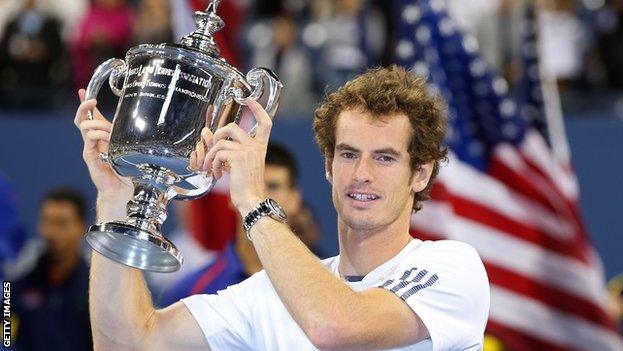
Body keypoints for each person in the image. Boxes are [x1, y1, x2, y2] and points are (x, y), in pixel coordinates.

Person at [74, 65, 489, 350]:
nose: (361, 174)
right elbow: (125, 342)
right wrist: (115, 200)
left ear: (419, 174)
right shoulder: (270, 293)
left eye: (384, 158)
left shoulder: (452, 268)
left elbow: (335, 326)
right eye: (347, 155)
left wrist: (253, 201)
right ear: (328, 165)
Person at [158, 142, 322, 306]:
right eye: (252, 185)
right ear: (232, 196)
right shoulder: (191, 292)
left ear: (295, 200)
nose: (260, 196)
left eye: (273, 186)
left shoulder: (324, 284)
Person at [13, 188, 92, 351]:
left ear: (81, 226)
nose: (51, 232)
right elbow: (5, 336)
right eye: (46, 221)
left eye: (61, 223)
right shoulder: (16, 286)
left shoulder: (98, 290)